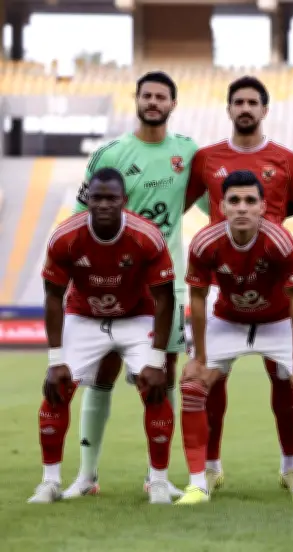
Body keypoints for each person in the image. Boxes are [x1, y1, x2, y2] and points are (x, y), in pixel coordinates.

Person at [183, 76, 293, 493]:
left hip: (275, 286)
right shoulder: (206, 159)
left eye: (253, 102)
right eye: (239, 102)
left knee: (287, 382)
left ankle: (291, 467)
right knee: (208, 381)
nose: (245, 108)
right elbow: (175, 206)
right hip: (226, 287)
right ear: (229, 108)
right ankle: (209, 468)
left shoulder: (286, 160)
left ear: (265, 110)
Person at [64, 71, 197, 500]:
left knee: (163, 376)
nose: (153, 102)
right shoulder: (112, 154)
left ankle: (157, 476)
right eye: (147, 95)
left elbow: (217, 201)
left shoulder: (188, 153)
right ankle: (87, 476)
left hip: (165, 286)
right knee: (101, 374)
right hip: (114, 283)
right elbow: (80, 217)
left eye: (161, 96)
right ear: (136, 100)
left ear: (173, 103)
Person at [176, 170, 293, 508]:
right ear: (222, 207)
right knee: (193, 385)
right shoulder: (205, 242)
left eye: (249, 201)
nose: (242, 207)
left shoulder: (279, 241)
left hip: (278, 321)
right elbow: (197, 297)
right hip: (229, 321)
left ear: (262, 206)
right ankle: (200, 481)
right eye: (234, 201)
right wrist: (199, 358)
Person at [29, 168, 176, 504]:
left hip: (136, 316)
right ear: (88, 199)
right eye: (97, 198)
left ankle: (158, 482)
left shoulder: (146, 236)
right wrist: (55, 359)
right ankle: (50, 482)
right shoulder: (65, 237)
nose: (104, 204)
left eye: (112, 198)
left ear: (124, 200)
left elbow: (165, 298)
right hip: (84, 316)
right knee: (56, 388)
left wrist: (156, 360)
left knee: (154, 388)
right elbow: (53, 296)